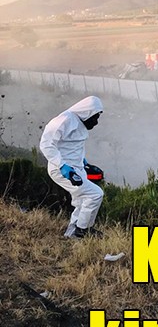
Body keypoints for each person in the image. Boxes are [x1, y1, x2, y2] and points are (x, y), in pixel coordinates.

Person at [39, 96, 105, 239]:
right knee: (95, 194)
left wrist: (85, 164)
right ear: (87, 112)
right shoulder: (64, 120)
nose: (96, 122)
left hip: (76, 168)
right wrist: (63, 166)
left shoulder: (78, 123)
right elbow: (46, 144)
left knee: (82, 200)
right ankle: (83, 230)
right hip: (62, 169)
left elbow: (72, 146)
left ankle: (72, 234)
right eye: (95, 117)